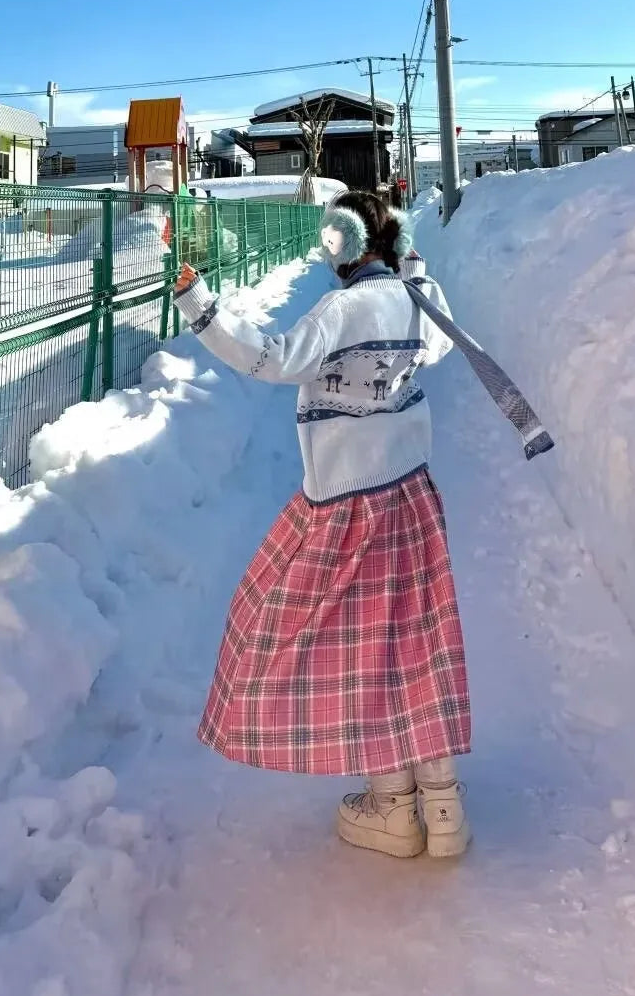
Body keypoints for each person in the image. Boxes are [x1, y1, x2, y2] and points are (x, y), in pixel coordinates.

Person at [172, 190, 471, 859]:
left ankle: (393, 807)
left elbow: (266, 358)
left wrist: (197, 302)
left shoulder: (340, 310)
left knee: (360, 650)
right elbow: (444, 338)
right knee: (417, 641)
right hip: (412, 498)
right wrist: (416, 267)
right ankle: (445, 804)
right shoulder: (416, 300)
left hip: (343, 508)